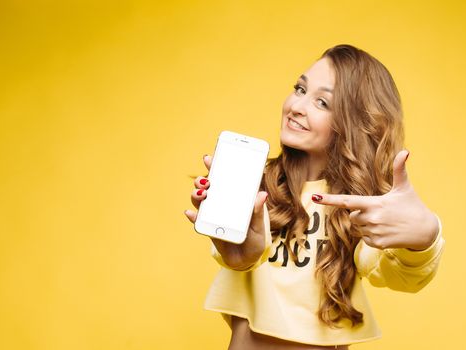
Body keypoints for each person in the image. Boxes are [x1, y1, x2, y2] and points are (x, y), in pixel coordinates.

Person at [184, 44, 445, 349]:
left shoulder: (358, 206)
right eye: (299, 89)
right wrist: (238, 250)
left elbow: (399, 275)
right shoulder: (256, 184)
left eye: (322, 102)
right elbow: (232, 256)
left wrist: (425, 237)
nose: (297, 105)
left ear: (353, 124)